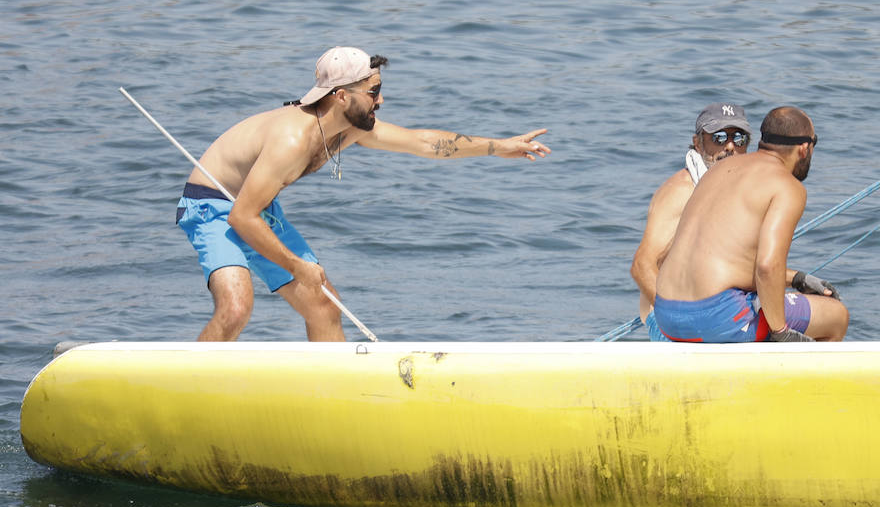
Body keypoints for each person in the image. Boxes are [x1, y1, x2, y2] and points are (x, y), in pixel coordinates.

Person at [176, 46, 551, 341]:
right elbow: (242, 217)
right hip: (212, 205)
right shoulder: (291, 139)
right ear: (341, 96)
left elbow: (423, 142)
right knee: (237, 308)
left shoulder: (349, 128)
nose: (381, 100)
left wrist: (498, 147)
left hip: (257, 207)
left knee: (323, 306)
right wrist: (296, 266)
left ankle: (332, 399)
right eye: (374, 92)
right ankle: (183, 389)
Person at [651, 106, 850, 343]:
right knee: (836, 315)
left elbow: (722, 262)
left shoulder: (720, 168)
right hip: (716, 319)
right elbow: (767, 267)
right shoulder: (788, 187)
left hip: (667, 315)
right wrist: (780, 332)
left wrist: (797, 279)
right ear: (805, 148)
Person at [631, 103, 753, 330]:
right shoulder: (683, 191)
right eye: (718, 137)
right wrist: (681, 320)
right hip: (675, 319)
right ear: (697, 143)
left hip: (722, 308)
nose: (729, 146)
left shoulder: (739, 189)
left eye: (739, 139)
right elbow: (641, 266)